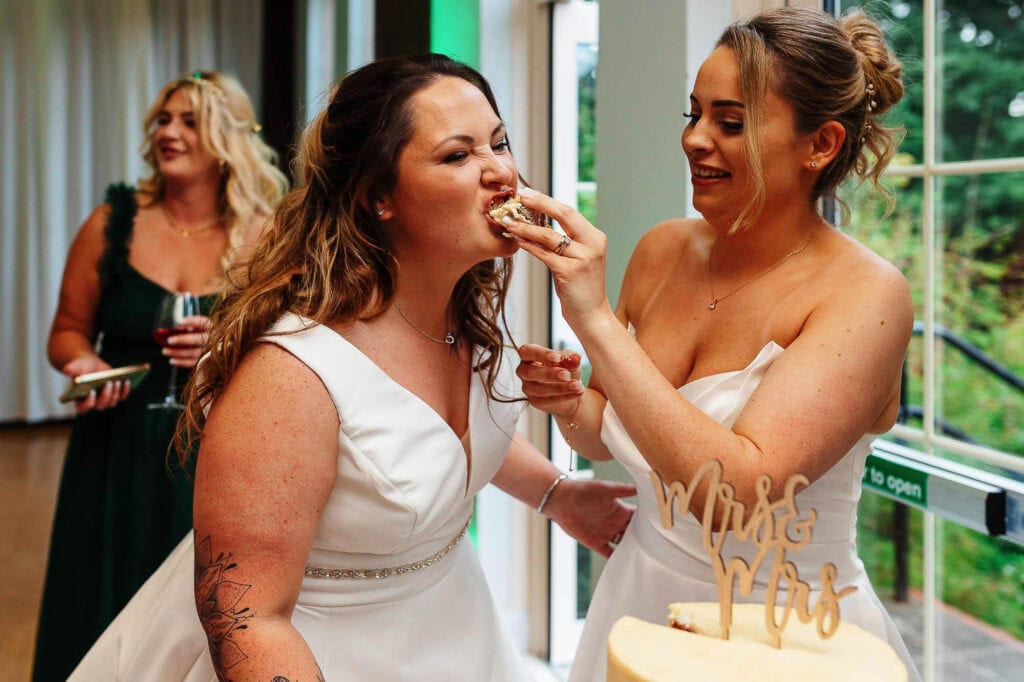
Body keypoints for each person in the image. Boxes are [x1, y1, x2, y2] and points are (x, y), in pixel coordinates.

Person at [68, 54, 634, 681]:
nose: (501, 171)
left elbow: (428, 446)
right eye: (457, 156)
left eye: (500, 143)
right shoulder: (291, 373)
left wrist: (559, 494)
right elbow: (247, 616)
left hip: (452, 629)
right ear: (378, 197)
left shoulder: (463, 314)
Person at [504, 7, 921, 681]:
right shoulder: (663, 249)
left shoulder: (866, 295)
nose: (696, 139)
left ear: (820, 144)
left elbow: (735, 497)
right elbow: (604, 437)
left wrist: (597, 323)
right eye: (692, 114)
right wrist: (567, 402)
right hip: (638, 604)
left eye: (730, 122)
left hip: (781, 635)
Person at [34, 71, 289, 681]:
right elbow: (66, 330)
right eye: (162, 120)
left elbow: (295, 346)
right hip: (115, 446)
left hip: (217, 446)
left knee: (201, 606)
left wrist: (229, 343)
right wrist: (84, 363)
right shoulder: (109, 223)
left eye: (189, 120)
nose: (168, 132)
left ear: (227, 135)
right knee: (103, 591)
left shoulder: (265, 234)